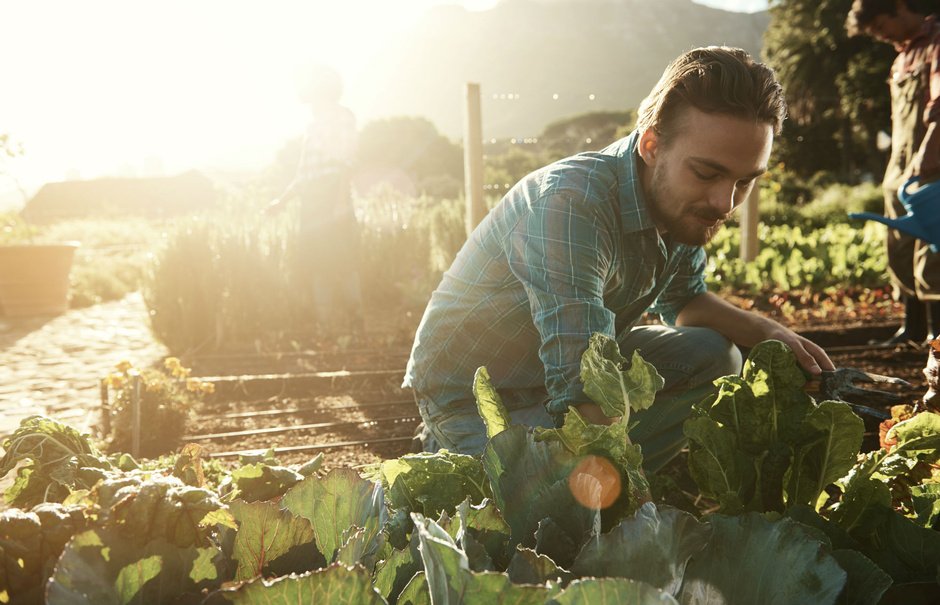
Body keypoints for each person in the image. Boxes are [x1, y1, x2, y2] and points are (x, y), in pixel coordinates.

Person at [402, 46, 835, 472]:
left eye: (745, 181)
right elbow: (582, 383)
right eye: (707, 173)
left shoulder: (683, 207)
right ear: (651, 145)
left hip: (560, 376)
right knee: (540, 503)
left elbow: (684, 302)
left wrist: (770, 332)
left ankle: (598, 481)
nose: (725, 203)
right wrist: (623, 489)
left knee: (716, 356)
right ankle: (448, 451)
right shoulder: (571, 203)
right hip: (479, 398)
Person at [847, 0, 940, 345]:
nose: (880, 36)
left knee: (931, 250)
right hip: (900, 168)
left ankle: (935, 335)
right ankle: (911, 329)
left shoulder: (936, 43)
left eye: (880, 26)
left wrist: (928, 154)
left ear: (898, 7)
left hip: (931, 164)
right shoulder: (901, 58)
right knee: (898, 247)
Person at [268, 63, 364, 337]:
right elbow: (304, 174)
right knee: (317, 265)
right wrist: (281, 201)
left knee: (344, 262)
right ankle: (326, 329)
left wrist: (340, 202)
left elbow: (347, 162)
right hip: (312, 201)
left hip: (333, 195)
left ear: (321, 92)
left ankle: (357, 327)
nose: (307, 101)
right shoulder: (312, 125)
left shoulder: (342, 117)